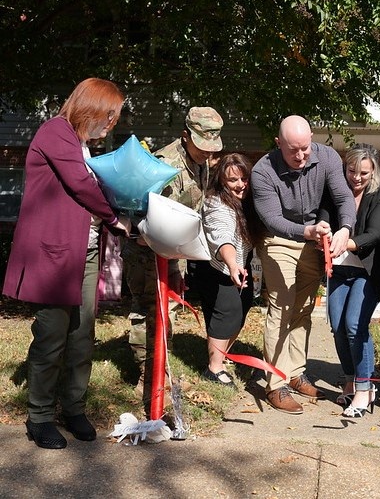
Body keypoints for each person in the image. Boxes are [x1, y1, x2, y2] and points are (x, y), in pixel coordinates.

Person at [2, 78, 131, 449]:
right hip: (54, 255)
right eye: (108, 117)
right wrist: (113, 217)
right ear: (89, 107)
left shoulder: (80, 144)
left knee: (82, 335)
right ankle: (40, 416)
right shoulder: (56, 132)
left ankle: (73, 407)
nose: (110, 126)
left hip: (84, 252)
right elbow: (80, 185)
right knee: (51, 336)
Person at [251, 115, 356, 414]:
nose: (300, 156)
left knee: (304, 307)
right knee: (282, 304)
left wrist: (345, 228)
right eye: (292, 150)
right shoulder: (263, 171)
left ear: (312, 138)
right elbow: (273, 219)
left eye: (305, 148)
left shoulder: (328, 158)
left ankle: (295, 372)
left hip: (313, 240)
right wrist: (306, 231)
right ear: (278, 143)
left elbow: (342, 197)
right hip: (279, 239)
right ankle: (275, 383)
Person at [121, 106, 223, 406]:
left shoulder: (200, 161)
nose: (207, 153)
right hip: (147, 250)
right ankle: (147, 374)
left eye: (212, 147)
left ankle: (160, 366)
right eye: (202, 146)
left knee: (168, 312)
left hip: (171, 250)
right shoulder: (167, 164)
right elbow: (149, 216)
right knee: (148, 311)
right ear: (185, 135)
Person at [321, 143, 380, 417]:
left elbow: (375, 233)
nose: (357, 177)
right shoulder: (336, 190)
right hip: (339, 270)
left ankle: (365, 389)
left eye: (364, 172)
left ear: (373, 171)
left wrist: (345, 243)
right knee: (338, 326)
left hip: (367, 271)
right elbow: (325, 217)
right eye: (352, 170)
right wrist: (324, 233)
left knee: (354, 326)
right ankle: (350, 378)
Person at [199, 153, 264, 386]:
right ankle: (213, 368)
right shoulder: (216, 203)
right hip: (217, 267)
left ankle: (222, 356)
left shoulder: (248, 202)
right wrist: (232, 263)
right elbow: (222, 236)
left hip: (239, 266)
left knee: (243, 307)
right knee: (227, 312)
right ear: (222, 182)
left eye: (244, 178)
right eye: (233, 180)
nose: (240, 185)